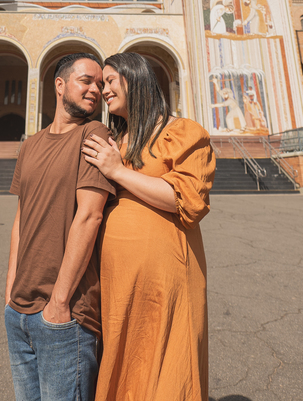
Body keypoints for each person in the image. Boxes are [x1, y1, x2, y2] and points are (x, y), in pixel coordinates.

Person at [81, 52, 216, 401]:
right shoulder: (117, 139)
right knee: (125, 357)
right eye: (99, 83)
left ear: (135, 78)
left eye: (110, 81)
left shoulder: (181, 132)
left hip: (165, 276)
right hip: (117, 279)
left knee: (165, 365)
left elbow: (185, 200)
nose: (103, 91)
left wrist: (118, 171)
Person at [5, 53, 115, 401]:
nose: (96, 89)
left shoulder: (93, 133)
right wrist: (10, 294)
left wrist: (60, 302)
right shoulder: (30, 145)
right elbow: (20, 221)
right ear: (60, 84)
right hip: (19, 313)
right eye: (87, 80)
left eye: (100, 84)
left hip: (65, 316)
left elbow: (90, 216)